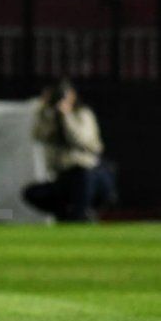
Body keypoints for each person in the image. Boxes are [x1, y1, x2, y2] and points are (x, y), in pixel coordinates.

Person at [22, 79, 117, 222]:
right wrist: (44, 110)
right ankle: (66, 213)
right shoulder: (49, 116)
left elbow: (80, 140)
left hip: (89, 175)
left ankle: (82, 213)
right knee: (32, 193)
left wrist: (66, 116)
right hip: (63, 177)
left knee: (82, 180)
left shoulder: (83, 114)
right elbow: (38, 135)